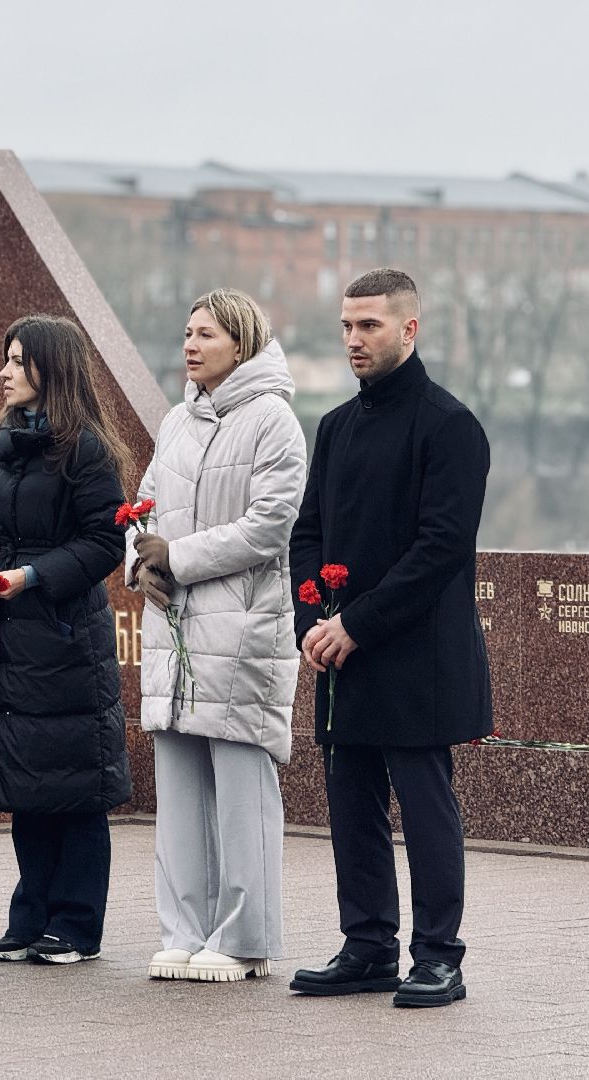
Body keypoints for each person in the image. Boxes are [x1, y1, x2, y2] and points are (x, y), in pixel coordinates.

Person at [287, 268, 492, 1008]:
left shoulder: (450, 425)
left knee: (425, 806)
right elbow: (307, 533)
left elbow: (441, 550)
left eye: (369, 326)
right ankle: (368, 946)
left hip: (418, 658)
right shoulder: (337, 426)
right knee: (351, 805)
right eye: (346, 325)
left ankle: (439, 955)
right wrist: (313, 617)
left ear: (410, 329)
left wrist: (355, 624)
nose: (352, 340)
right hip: (342, 653)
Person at [124, 288, 306, 983]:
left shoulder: (274, 422)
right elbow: (139, 510)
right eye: (186, 333)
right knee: (178, 793)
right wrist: (140, 561)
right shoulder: (177, 421)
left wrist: (181, 557)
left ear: (242, 342)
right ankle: (185, 929)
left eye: (205, 334)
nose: (190, 345)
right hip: (175, 631)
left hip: (243, 632)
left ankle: (245, 938)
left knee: (241, 793)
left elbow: (269, 526)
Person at [0, 313, 133, 965]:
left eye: (18, 360)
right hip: (9, 639)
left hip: (65, 639)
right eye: (6, 358)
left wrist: (29, 577)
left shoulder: (86, 448)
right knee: (26, 782)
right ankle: (31, 916)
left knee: (73, 789)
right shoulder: (9, 441)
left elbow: (106, 542)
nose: (5, 371)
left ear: (52, 368)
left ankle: (77, 926)